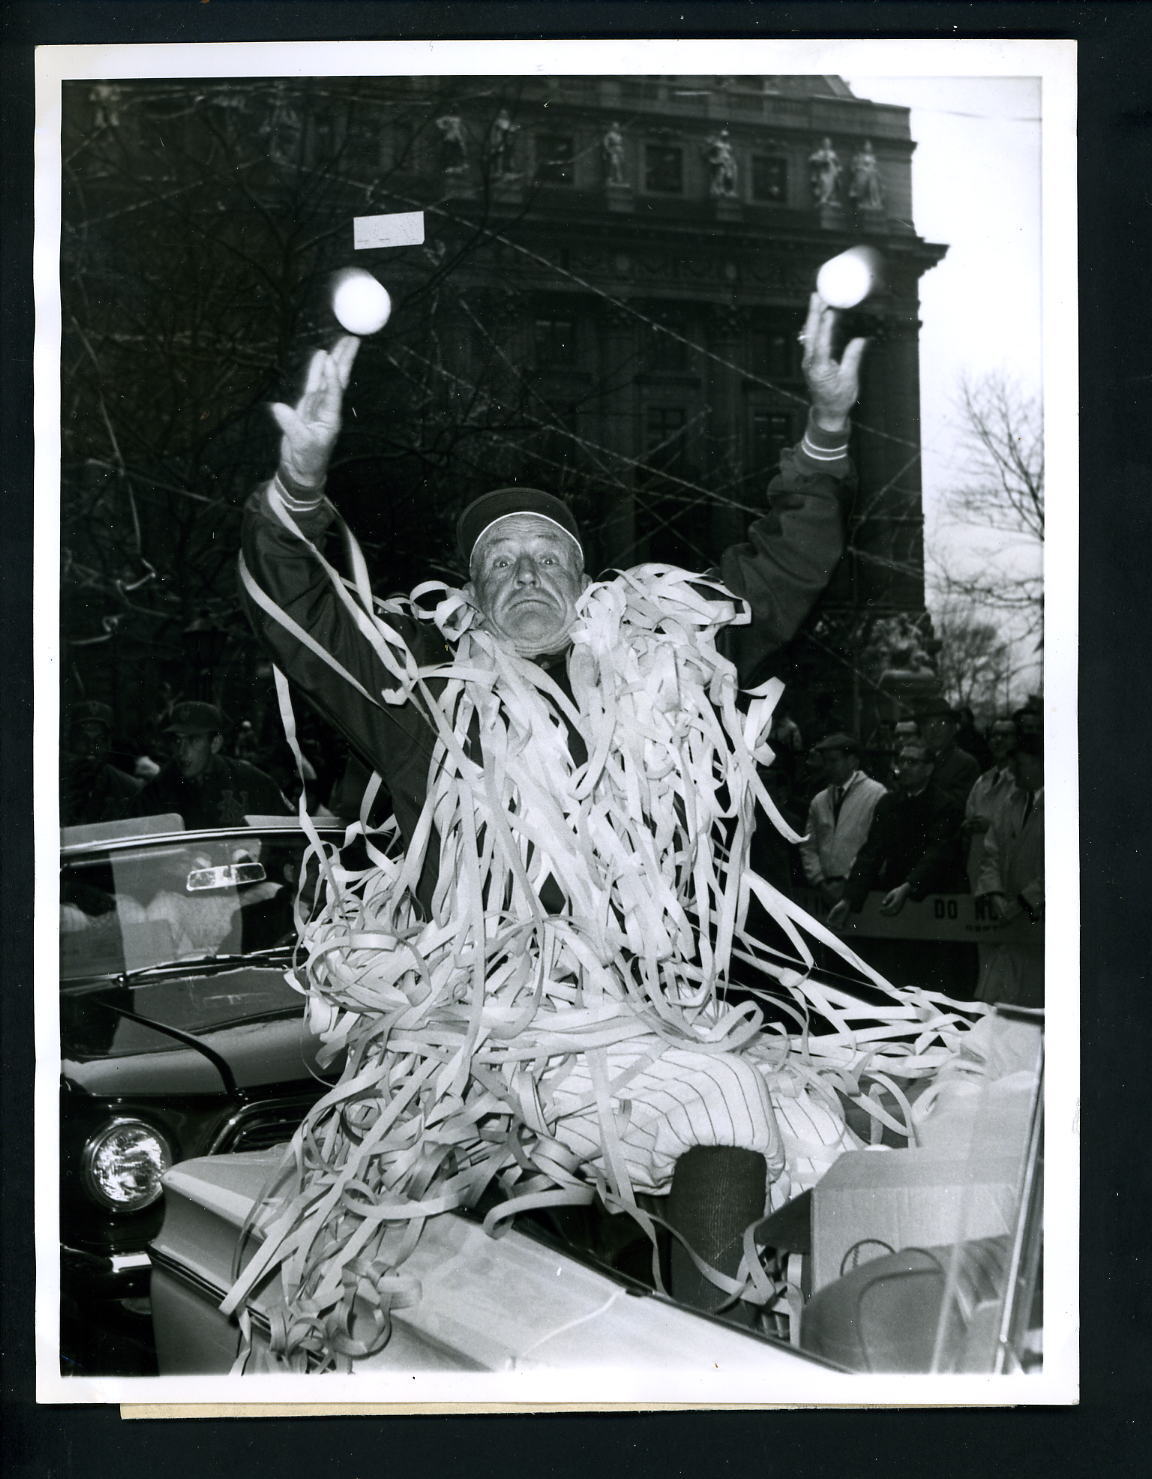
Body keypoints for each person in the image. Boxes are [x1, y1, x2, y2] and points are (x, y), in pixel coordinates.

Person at [235, 295, 870, 1336]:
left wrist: (825, 434)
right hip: (496, 1037)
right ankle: (706, 1377)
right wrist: (298, 484)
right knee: (720, 1105)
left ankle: (779, 1348)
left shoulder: (658, 669)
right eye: (499, 562)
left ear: (585, 581)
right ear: (471, 595)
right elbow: (300, 606)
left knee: (825, 1130)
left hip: (645, 1016)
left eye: (546, 557)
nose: (525, 572)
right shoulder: (425, 697)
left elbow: (778, 573)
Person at [828, 739, 969, 994]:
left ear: (928, 768)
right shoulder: (888, 804)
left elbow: (938, 854)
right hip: (896, 903)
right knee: (895, 979)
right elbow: (872, 852)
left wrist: (909, 886)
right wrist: (849, 898)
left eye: (912, 762)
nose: (903, 767)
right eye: (901, 761)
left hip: (931, 900)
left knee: (933, 982)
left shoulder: (945, 805)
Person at [135, 700, 291, 830]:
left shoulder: (252, 783)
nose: (181, 751)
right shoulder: (158, 790)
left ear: (215, 744)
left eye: (193, 740)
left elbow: (287, 837)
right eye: (177, 740)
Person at [974, 731, 1044, 1007]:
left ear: (1041, 764)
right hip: (1010, 924)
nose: (1013, 770)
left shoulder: (1065, 801)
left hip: (1040, 924)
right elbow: (991, 852)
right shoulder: (1011, 802)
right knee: (1000, 1002)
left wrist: (1023, 902)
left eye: (1021, 763)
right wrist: (994, 894)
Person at [798, 733, 887, 909]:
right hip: (825, 889)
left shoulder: (876, 794)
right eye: (826, 761)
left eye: (834, 761)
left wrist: (848, 882)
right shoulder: (819, 800)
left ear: (852, 761)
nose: (828, 767)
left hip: (864, 889)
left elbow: (877, 845)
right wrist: (820, 881)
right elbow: (808, 846)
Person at [60, 700, 142, 827]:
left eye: (100, 740)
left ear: (109, 744)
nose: (91, 747)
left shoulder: (129, 789)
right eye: (83, 739)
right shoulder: (50, 787)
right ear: (69, 741)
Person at [962, 716, 1018, 890]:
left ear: (1017, 740)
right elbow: (968, 817)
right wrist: (968, 825)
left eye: (1006, 735)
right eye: (994, 735)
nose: (999, 740)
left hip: (1008, 874)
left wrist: (990, 826)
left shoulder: (1023, 782)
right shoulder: (982, 781)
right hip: (977, 871)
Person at [916, 697, 980, 816]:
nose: (934, 729)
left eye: (942, 723)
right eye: (929, 723)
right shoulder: (918, 759)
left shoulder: (965, 763)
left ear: (953, 729)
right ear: (923, 730)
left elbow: (959, 807)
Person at [847, 139, 884, 211]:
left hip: (871, 175)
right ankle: (864, 200)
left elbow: (874, 167)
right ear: (864, 147)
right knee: (866, 177)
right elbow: (855, 167)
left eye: (869, 146)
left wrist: (872, 170)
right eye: (866, 145)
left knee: (873, 178)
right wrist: (861, 167)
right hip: (862, 174)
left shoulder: (873, 158)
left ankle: (874, 201)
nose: (867, 147)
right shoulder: (860, 156)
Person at [705, 129, 738, 197]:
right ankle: (719, 189)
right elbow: (710, 153)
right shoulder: (717, 144)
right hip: (720, 162)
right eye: (724, 136)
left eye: (726, 136)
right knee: (721, 174)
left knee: (729, 175)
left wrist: (731, 161)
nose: (725, 138)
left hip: (727, 163)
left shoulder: (728, 145)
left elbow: (731, 154)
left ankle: (728, 190)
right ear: (721, 136)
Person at [808, 136, 841, 205]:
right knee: (823, 182)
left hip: (831, 172)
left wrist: (837, 168)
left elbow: (837, 163)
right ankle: (823, 197)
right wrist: (821, 161)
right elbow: (812, 159)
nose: (827, 144)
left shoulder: (832, 153)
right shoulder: (819, 152)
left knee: (831, 184)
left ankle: (829, 197)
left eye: (828, 143)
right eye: (825, 143)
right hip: (822, 171)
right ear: (823, 144)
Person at [602, 120, 626, 184]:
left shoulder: (619, 136)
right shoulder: (609, 135)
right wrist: (608, 150)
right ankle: (610, 178)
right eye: (614, 127)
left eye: (617, 127)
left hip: (619, 152)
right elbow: (605, 143)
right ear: (612, 127)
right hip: (613, 151)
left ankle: (619, 179)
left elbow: (621, 144)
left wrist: (621, 152)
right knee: (612, 164)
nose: (616, 128)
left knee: (619, 165)